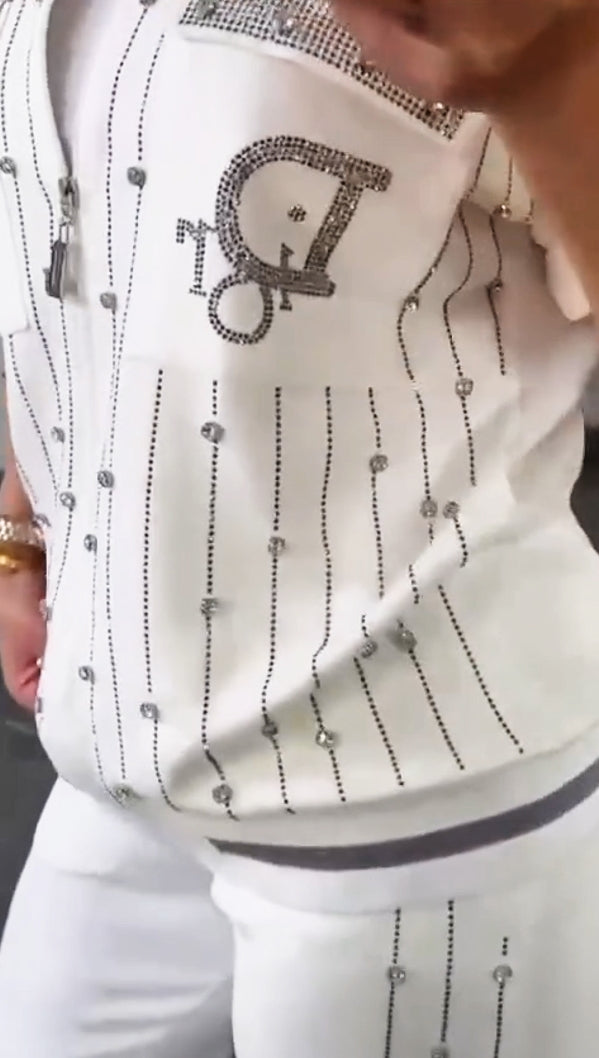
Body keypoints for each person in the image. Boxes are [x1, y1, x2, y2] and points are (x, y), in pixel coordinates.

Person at [0, 0, 599, 1054]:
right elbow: (58, 216)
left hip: (418, 806)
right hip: (117, 754)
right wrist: (18, 523)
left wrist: (559, 77)